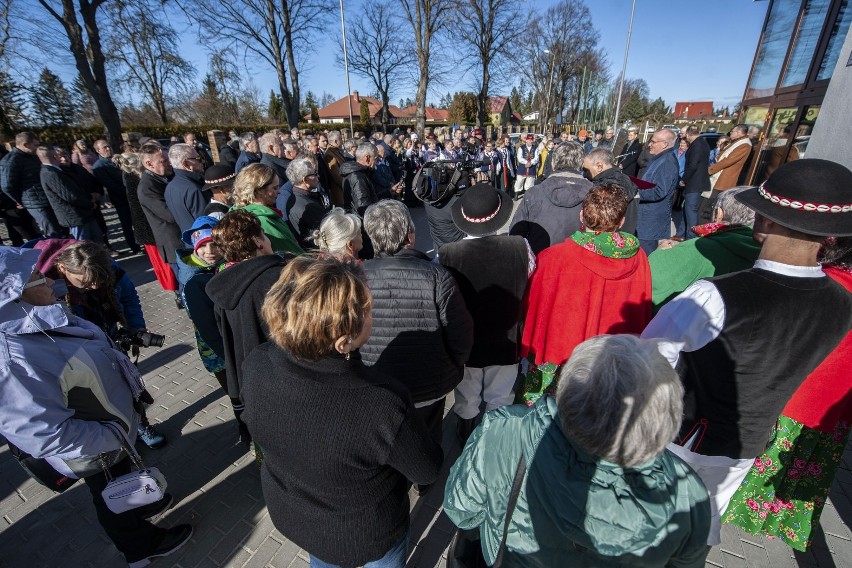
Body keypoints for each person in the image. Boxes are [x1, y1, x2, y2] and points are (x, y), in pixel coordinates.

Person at [641, 159, 852, 545]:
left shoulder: (716, 294)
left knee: (652, 529)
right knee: (701, 529)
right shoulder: (842, 302)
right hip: (747, 443)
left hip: (683, 438)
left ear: (767, 221)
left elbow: (647, 361)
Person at [240, 256, 442, 568]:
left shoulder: (256, 363)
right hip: (367, 536)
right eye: (367, 311)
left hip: (297, 518)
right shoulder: (381, 402)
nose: (373, 315)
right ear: (342, 342)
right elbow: (426, 470)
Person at [444, 334, 711, 567]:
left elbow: (461, 510)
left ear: (569, 390)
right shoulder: (688, 493)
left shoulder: (504, 431)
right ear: (668, 419)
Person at [0, 246, 193, 567]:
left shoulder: (36, 321)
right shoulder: (10, 358)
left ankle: (138, 507)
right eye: (35, 277)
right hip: (96, 443)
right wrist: (112, 435)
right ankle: (142, 547)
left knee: (119, 481)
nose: (47, 281)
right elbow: (40, 433)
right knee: (110, 493)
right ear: (11, 294)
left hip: (108, 432)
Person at [724, 235, 852, 550]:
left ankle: (731, 508)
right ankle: (775, 521)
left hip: (797, 384)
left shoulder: (827, 281)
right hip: (835, 399)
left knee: (766, 453)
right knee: (802, 462)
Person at [517, 184, 652, 406]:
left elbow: (532, 307)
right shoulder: (639, 258)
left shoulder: (553, 257)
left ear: (582, 215)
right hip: (608, 359)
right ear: (621, 222)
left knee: (544, 415)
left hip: (558, 352)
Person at [359, 200, 473, 462]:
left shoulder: (356, 276)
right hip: (429, 384)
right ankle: (425, 477)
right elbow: (460, 336)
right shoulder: (438, 276)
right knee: (428, 432)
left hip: (377, 382)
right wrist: (454, 366)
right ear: (411, 236)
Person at [439, 184, 533, 442]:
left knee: (467, 394)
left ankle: (465, 435)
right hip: (506, 334)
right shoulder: (520, 246)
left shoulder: (447, 253)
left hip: (467, 338)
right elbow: (529, 277)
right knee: (500, 395)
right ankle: (492, 441)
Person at [206, 210, 289, 446]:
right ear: (257, 241)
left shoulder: (223, 283)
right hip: (283, 379)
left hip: (250, 382)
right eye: (264, 233)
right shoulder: (277, 278)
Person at [175, 216, 248, 443]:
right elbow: (207, 327)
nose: (209, 251)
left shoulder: (220, 267)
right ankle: (247, 431)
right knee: (237, 393)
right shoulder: (194, 282)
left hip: (231, 343)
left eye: (214, 245)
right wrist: (228, 353)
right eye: (202, 246)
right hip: (219, 350)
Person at [650, 186, 760, 311]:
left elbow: (649, 285)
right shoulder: (766, 255)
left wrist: (659, 254)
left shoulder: (697, 248)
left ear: (719, 214)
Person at [508, 142, 592, 255]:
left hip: (542, 261)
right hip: (580, 263)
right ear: (582, 164)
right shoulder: (595, 193)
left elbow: (516, 234)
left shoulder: (534, 193)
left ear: (553, 164)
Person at [137, 142, 184, 308]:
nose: (169, 163)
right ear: (149, 164)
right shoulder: (147, 188)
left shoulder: (166, 177)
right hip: (174, 244)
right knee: (185, 285)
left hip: (180, 240)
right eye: (163, 161)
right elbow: (169, 215)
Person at [231, 163, 304, 256]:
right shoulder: (262, 220)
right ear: (259, 190)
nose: (279, 191)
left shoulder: (239, 214)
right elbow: (291, 252)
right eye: (274, 188)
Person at [0, 131, 63, 238]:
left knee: (62, 229)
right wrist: (21, 200)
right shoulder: (11, 161)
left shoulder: (33, 157)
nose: (38, 147)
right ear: (25, 145)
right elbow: (7, 186)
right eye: (36, 145)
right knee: (53, 233)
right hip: (35, 203)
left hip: (48, 199)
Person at [37, 146, 100, 241]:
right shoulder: (51, 174)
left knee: (96, 238)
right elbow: (70, 196)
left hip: (82, 213)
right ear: (54, 156)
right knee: (82, 243)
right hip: (74, 216)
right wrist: (90, 204)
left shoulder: (56, 171)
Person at [92, 140, 139, 254]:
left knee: (138, 220)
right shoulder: (99, 166)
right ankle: (134, 247)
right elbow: (109, 184)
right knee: (126, 222)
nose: (108, 149)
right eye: (105, 147)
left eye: (109, 146)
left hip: (132, 195)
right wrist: (128, 191)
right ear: (98, 151)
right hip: (120, 198)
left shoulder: (118, 159)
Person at [637, 129, 679, 255]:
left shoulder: (667, 162)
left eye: (653, 142)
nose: (650, 144)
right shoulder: (659, 158)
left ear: (664, 144)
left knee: (645, 255)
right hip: (646, 217)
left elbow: (659, 191)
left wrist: (637, 192)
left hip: (652, 220)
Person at [582, 147, 639, 236]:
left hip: (606, 239)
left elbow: (602, 221)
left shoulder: (604, 189)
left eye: (586, 170)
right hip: (626, 236)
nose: (585, 174)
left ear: (599, 166)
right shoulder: (626, 180)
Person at [285, 156, 332, 247]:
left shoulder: (296, 196)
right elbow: (327, 232)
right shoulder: (308, 206)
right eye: (314, 173)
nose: (318, 176)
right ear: (305, 180)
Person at [164, 143, 210, 232]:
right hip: (204, 242)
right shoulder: (194, 189)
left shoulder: (170, 187)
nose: (202, 161)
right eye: (198, 158)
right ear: (186, 164)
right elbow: (206, 224)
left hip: (190, 241)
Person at [680, 126, 712, 239]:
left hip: (694, 182)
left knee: (690, 211)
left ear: (688, 135)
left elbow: (692, 165)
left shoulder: (697, 145)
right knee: (687, 209)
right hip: (696, 181)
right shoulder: (702, 143)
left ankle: (690, 236)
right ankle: (681, 233)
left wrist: (684, 179)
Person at [513, 134, 540, 200]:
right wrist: (526, 162)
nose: (530, 141)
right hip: (522, 167)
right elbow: (519, 157)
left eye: (531, 140)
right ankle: (516, 194)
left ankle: (527, 195)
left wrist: (531, 163)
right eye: (528, 140)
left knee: (530, 182)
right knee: (519, 181)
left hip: (531, 167)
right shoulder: (521, 147)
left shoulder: (535, 148)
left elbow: (537, 158)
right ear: (526, 140)